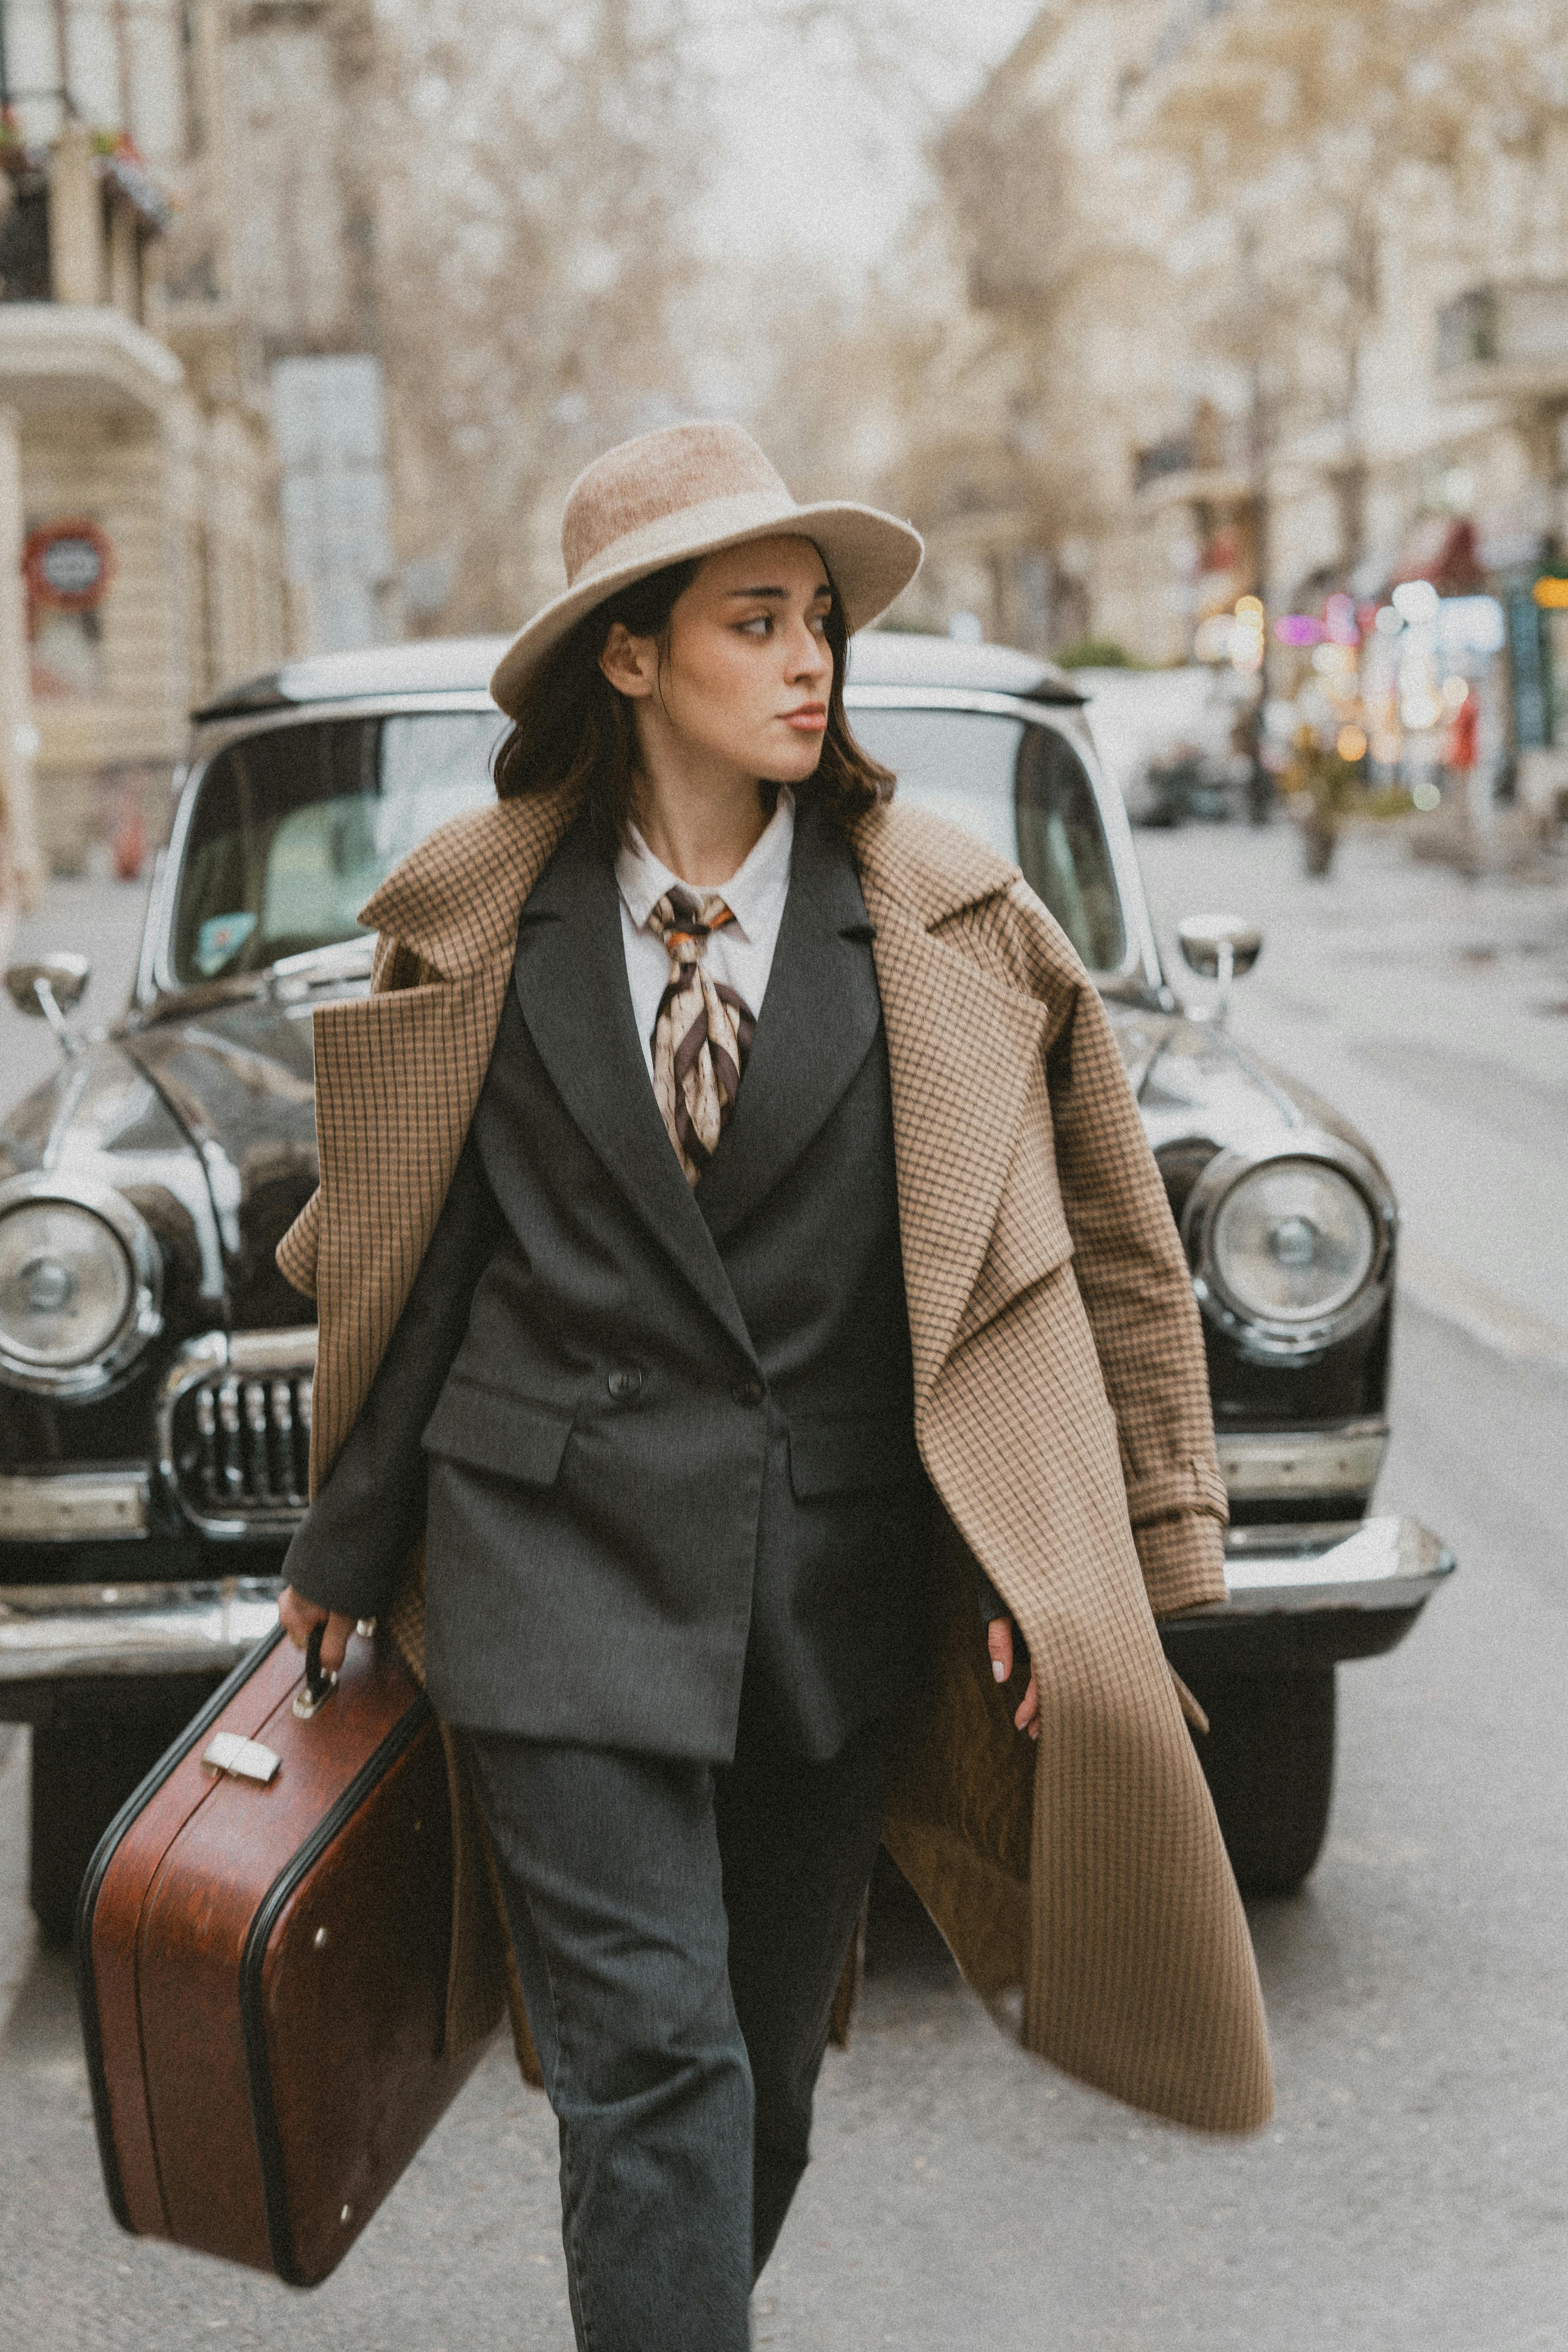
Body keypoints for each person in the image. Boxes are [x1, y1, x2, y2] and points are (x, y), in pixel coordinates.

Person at [275, 421, 1272, 2351]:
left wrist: (1097, 1569)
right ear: (629, 658)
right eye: (757, 621)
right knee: (654, 2072)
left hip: (832, 1591)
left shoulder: (953, 931)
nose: (811, 658)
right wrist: (346, 1539)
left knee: (759, 2086)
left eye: (820, 621)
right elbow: (427, 1257)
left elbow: (1108, 1258)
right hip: (547, 1567)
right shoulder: (480, 922)